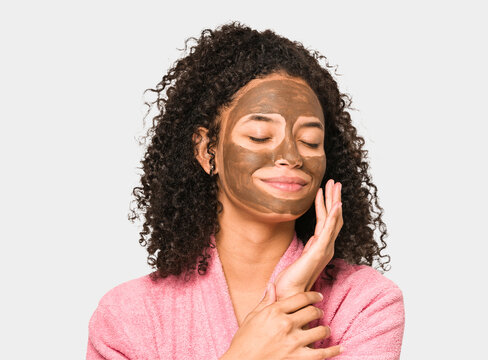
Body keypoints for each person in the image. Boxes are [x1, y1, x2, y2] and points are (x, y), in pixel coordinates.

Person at [87, 21, 405, 360]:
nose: (291, 156)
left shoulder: (365, 302)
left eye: (310, 141)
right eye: (259, 136)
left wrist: (291, 296)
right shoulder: (126, 318)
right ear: (207, 151)